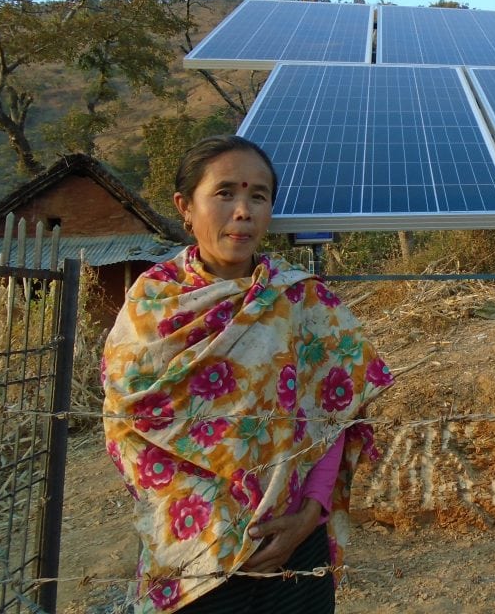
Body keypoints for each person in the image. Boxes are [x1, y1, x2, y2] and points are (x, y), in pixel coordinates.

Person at [102, 135, 393, 614]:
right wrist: (216, 522)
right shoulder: (150, 308)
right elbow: (126, 427)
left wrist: (309, 512)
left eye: (258, 196)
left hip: (294, 544)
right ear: (185, 206)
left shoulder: (299, 299)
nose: (243, 210)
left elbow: (336, 409)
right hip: (194, 551)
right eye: (224, 193)